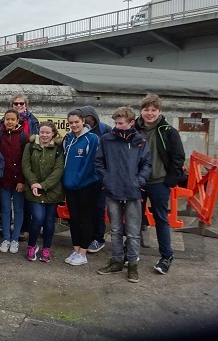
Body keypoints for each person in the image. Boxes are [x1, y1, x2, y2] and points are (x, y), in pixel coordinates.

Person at [95, 107, 152, 283]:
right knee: (116, 229)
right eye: (116, 123)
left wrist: (138, 181)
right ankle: (117, 260)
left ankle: (133, 265)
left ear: (131, 123)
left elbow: (147, 164)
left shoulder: (140, 141)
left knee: (133, 232)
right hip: (113, 190)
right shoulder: (107, 140)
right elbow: (98, 161)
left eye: (121, 123)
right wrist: (107, 179)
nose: (117, 126)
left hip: (133, 192)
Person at [135, 93, 185, 275]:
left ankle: (166, 255)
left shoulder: (168, 131)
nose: (149, 113)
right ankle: (131, 252)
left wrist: (170, 181)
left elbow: (178, 157)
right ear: (141, 111)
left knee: (161, 219)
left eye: (153, 110)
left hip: (159, 182)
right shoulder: (135, 129)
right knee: (134, 218)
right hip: (138, 181)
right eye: (146, 109)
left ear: (159, 111)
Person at [22, 121, 64, 263]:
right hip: (33, 190)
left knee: (49, 222)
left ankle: (46, 248)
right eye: (42, 132)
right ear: (38, 132)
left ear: (53, 133)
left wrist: (43, 185)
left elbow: (58, 170)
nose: (44, 135)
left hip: (52, 191)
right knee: (38, 218)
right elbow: (26, 166)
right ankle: (31, 246)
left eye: (47, 132)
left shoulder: (58, 149)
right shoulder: (30, 146)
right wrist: (34, 183)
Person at [62, 109, 100, 266]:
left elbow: (89, 164)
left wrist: (78, 180)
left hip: (86, 185)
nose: (74, 125)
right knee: (74, 219)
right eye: (71, 123)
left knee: (85, 218)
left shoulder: (92, 139)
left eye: (76, 122)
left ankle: (83, 252)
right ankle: (76, 249)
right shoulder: (68, 138)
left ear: (83, 121)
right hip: (69, 186)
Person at [79, 105, 113, 254]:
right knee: (86, 207)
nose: (87, 122)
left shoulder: (105, 129)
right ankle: (88, 235)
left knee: (99, 208)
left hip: (100, 176)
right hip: (85, 176)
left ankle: (99, 238)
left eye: (89, 119)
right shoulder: (79, 132)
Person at [0, 109, 28, 255]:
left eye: (12, 119)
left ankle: (15, 238)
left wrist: (22, 181)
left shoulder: (23, 136)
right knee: (5, 209)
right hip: (4, 180)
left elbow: (25, 161)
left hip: (18, 180)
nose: (9, 122)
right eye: (7, 119)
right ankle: (6, 238)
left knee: (19, 209)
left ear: (17, 121)